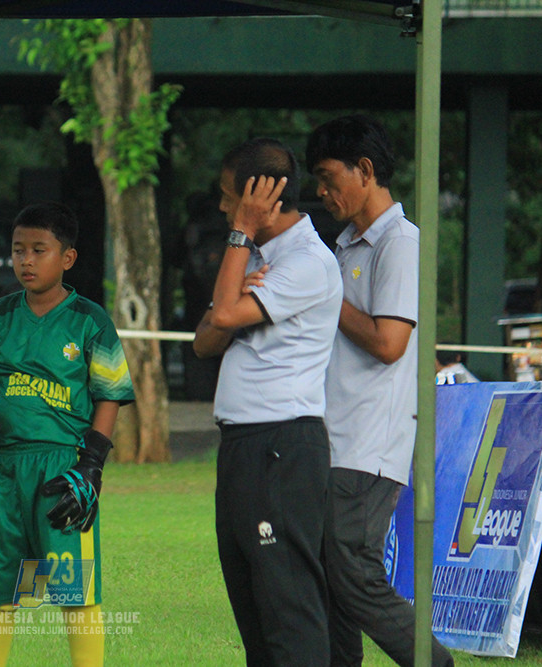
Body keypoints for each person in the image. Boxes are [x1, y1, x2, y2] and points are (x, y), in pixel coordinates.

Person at [306, 114, 454, 667]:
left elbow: (390, 342)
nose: (320, 193)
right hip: (330, 438)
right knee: (329, 576)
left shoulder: (401, 241)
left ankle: (433, 662)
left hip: (369, 444)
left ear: (364, 171)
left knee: (351, 572)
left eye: (327, 177)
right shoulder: (344, 245)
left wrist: (324, 295)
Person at [192, 137, 342, 665]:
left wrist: (240, 237)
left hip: (282, 444)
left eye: (230, 197)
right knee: (251, 601)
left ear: (261, 199)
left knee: (287, 603)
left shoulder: (308, 261)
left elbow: (226, 318)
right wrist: (236, 273)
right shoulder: (252, 258)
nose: (222, 207)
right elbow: (205, 340)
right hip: (241, 446)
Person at [0, 202, 135, 667]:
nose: (25, 260)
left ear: (67, 258)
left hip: (62, 468)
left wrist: (91, 467)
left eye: (38, 250)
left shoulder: (89, 320)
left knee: (73, 589)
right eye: (18, 250)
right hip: (2, 468)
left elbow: (109, 395)